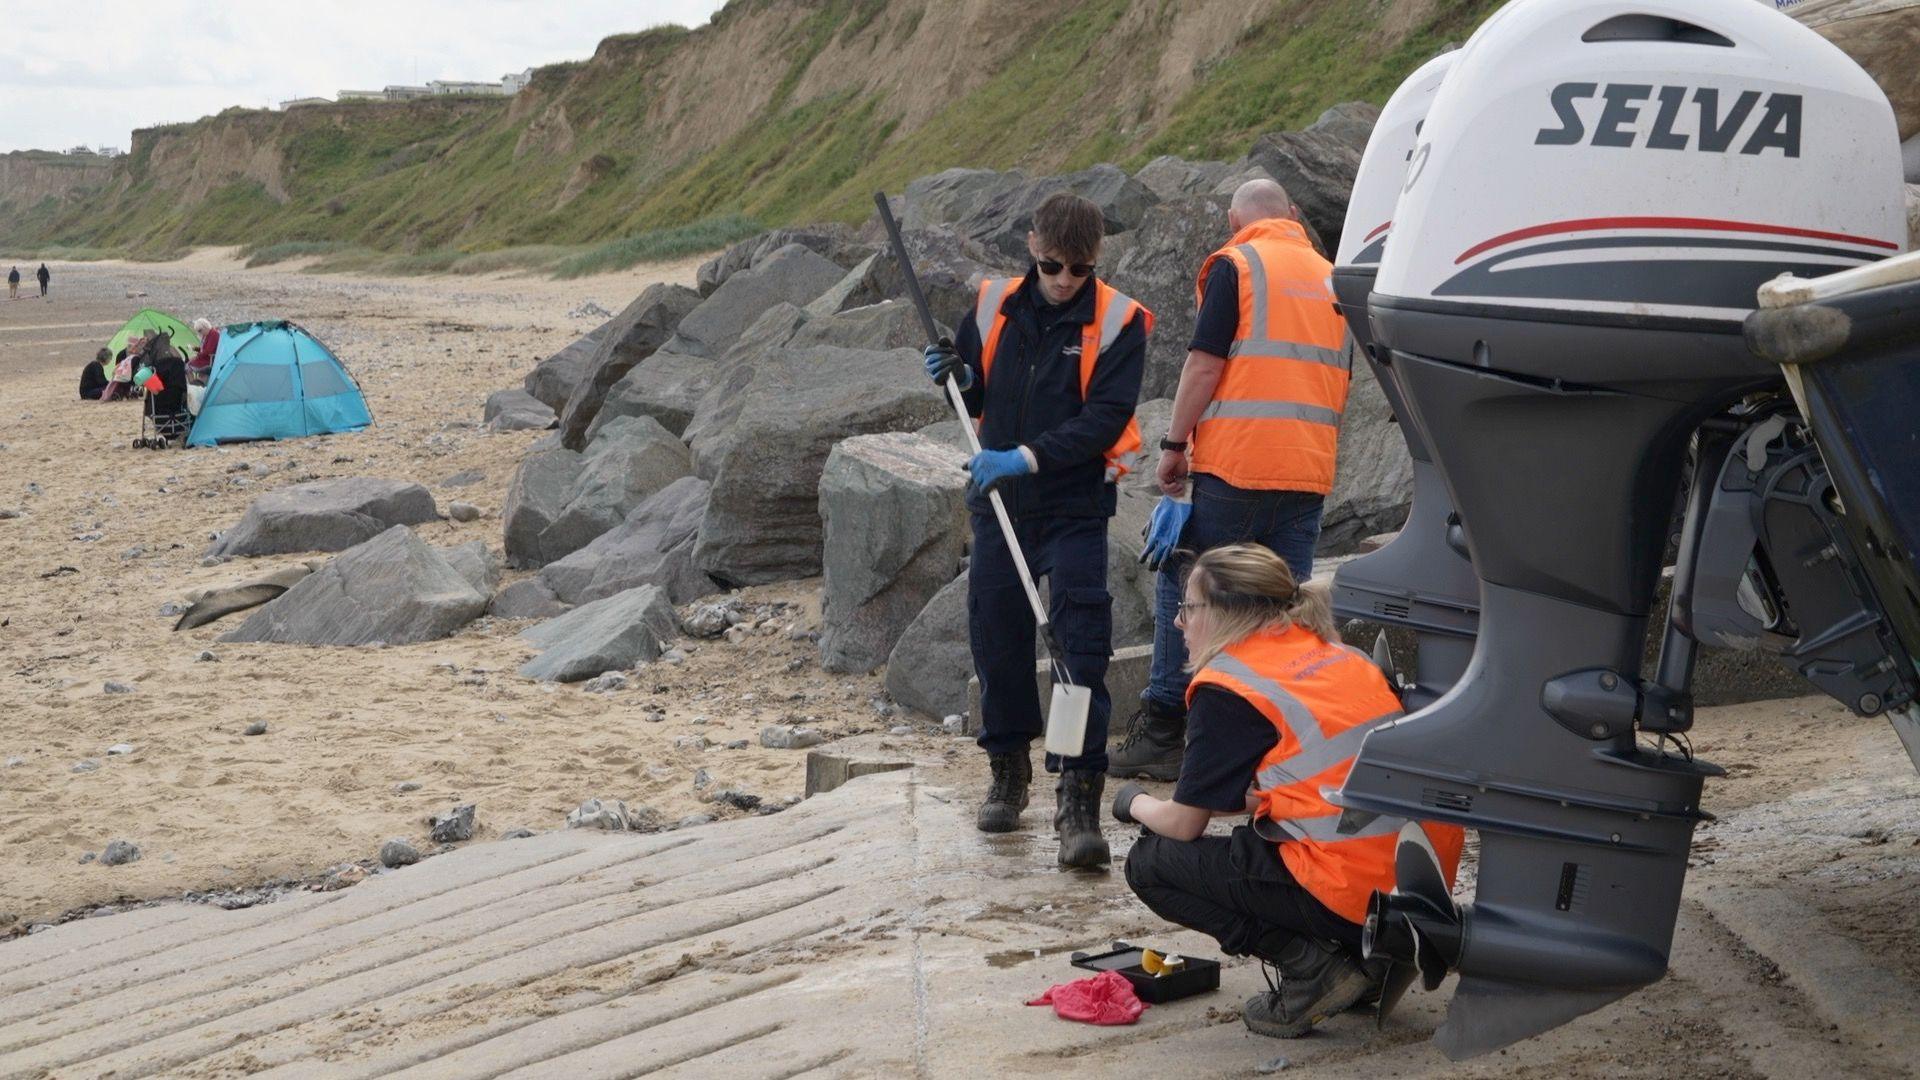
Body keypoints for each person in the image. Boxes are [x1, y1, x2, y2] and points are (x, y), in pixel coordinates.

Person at [1113, 543, 1464, 1038]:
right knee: (1262, 844)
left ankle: (1315, 970)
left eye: (1187, 608)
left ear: (1225, 614)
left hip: (1352, 891)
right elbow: (1310, 784)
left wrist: (1133, 802)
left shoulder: (1229, 687)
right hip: (1419, 881)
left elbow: (1183, 823)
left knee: (1151, 863)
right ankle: (1367, 962)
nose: (1178, 624)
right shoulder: (1334, 652)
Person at [922, 191, 1150, 867]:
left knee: (1081, 645)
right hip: (1000, 510)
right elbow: (975, 395)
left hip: (1075, 506)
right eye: (1052, 266)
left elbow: (1104, 420)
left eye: (1077, 270)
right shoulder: (994, 305)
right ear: (1031, 246)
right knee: (998, 637)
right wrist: (954, 376)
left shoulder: (1119, 323)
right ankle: (1008, 772)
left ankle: (1078, 799)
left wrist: (1021, 458)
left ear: (1095, 260)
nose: (1062, 282)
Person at [1111, 179, 1353, 781]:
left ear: (1233, 221)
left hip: (1237, 465)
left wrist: (1173, 446)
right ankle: (1278, 736)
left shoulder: (1237, 264)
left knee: (1188, 582)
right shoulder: (1334, 277)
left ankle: (1166, 727)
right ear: (1294, 214)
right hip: (1308, 470)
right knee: (1281, 604)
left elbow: (1204, 363)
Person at [187, 318, 220, 384]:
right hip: (204, 358)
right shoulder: (207, 334)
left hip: (208, 360)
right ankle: (195, 383)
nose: (199, 333)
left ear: (205, 327)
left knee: (187, 366)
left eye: (200, 330)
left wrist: (197, 355)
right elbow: (203, 349)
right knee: (187, 364)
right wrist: (193, 348)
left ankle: (194, 383)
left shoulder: (214, 334)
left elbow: (208, 351)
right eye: (198, 331)